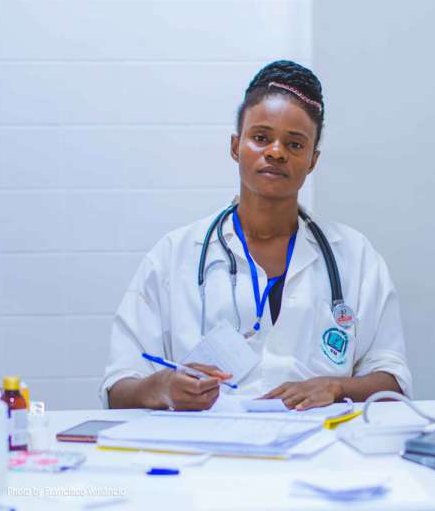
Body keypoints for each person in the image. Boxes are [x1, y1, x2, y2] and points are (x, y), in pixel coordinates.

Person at [100, 60, 412, 411]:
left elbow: (392, 381)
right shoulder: (174, 255)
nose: (276, 152)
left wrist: (336, 386)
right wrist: (161, 387)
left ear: (313, 160)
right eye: (261, 138)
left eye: (295, 144)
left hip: (323, 454)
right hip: (203, 456)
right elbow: (118, 387)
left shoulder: (355, 257)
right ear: (236, 146)